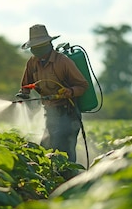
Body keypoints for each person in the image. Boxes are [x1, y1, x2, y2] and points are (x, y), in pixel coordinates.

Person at [16, 24, 89, 163]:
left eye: (40, 46)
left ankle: (68, 179)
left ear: (48, 44)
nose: (37, 50)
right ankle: (52, 179)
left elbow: (82, 85)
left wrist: (70, 91)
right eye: (34, 47)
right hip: (50, 112)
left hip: (69, 112)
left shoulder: (63, 62)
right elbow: (26, 84)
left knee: (63, 150)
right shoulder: (32, 62)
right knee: (46, 147)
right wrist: (23, 94)